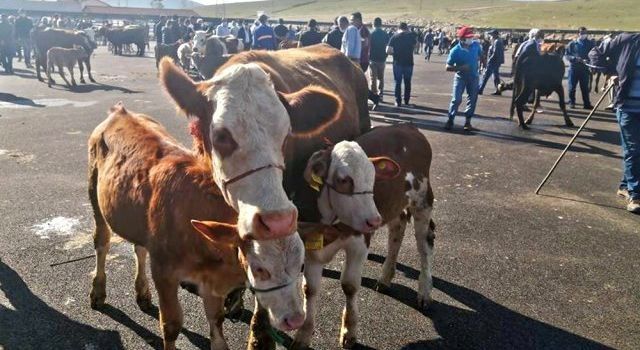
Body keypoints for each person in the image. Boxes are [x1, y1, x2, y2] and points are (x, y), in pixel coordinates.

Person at [589, 33, 640, 213]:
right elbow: (595, 53)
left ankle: (625, 185)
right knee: (634, 150)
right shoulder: (627, 40)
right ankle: (636, 194)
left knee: (635, 150)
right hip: (628, 106)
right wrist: (610, 72)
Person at [444, 26, 482, 132]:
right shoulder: (455, 51)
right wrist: (461, 68)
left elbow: (481, 55)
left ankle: (468, 121)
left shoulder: (476, 45)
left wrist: (483, 63)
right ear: (462, 39)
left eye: (471, 37)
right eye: (468, 38)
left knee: (472, 99)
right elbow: (447, 67)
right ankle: (450, 120)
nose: (471, 39)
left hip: (473, 77)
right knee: (456, 99)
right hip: (460, 77)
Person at [386, 22, 416, 107]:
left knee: (397, 82)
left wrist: (394, 53)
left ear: (398, 28)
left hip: (397, 62)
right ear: (406, 28)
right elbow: (416, 45)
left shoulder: (394, 37)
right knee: (407, 82)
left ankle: (397, 101)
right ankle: (406, 100)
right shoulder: (411, 36)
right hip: (409, 62)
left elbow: (388, 50)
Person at [565, 27, 595, 109]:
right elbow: (567, 55)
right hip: (574, 68)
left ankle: (586, 104)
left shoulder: (590, 44)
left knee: (585, 87)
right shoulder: (572, 44)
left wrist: (589, 61)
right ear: (578, 33)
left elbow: (594, 54)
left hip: (584, 69)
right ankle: (572, 102)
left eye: (585, 33)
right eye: (581, 33)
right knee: (572, 87)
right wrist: (574, 59)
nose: (583, 35)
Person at [478, 29, 504, 95]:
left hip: (493, 62)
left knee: (486, 76)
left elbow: (495, 53)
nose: (490, 36)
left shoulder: (497, 42)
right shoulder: (498, 41)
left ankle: (480, 89)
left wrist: (489, 60)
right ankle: (498, 90)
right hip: (496, 62)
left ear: (495, 34)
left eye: (491, 34)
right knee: (496, 76)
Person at [369, 17, 388, 101]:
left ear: (373, 24)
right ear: (381, 24)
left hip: (373, 59)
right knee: (381, 77)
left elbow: (368, 46)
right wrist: (385, 56)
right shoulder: (385, 34)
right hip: (382, 59)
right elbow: (388, 46)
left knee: (373, 78)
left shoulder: (371, 34)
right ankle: (381, 93)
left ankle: (374, 94)